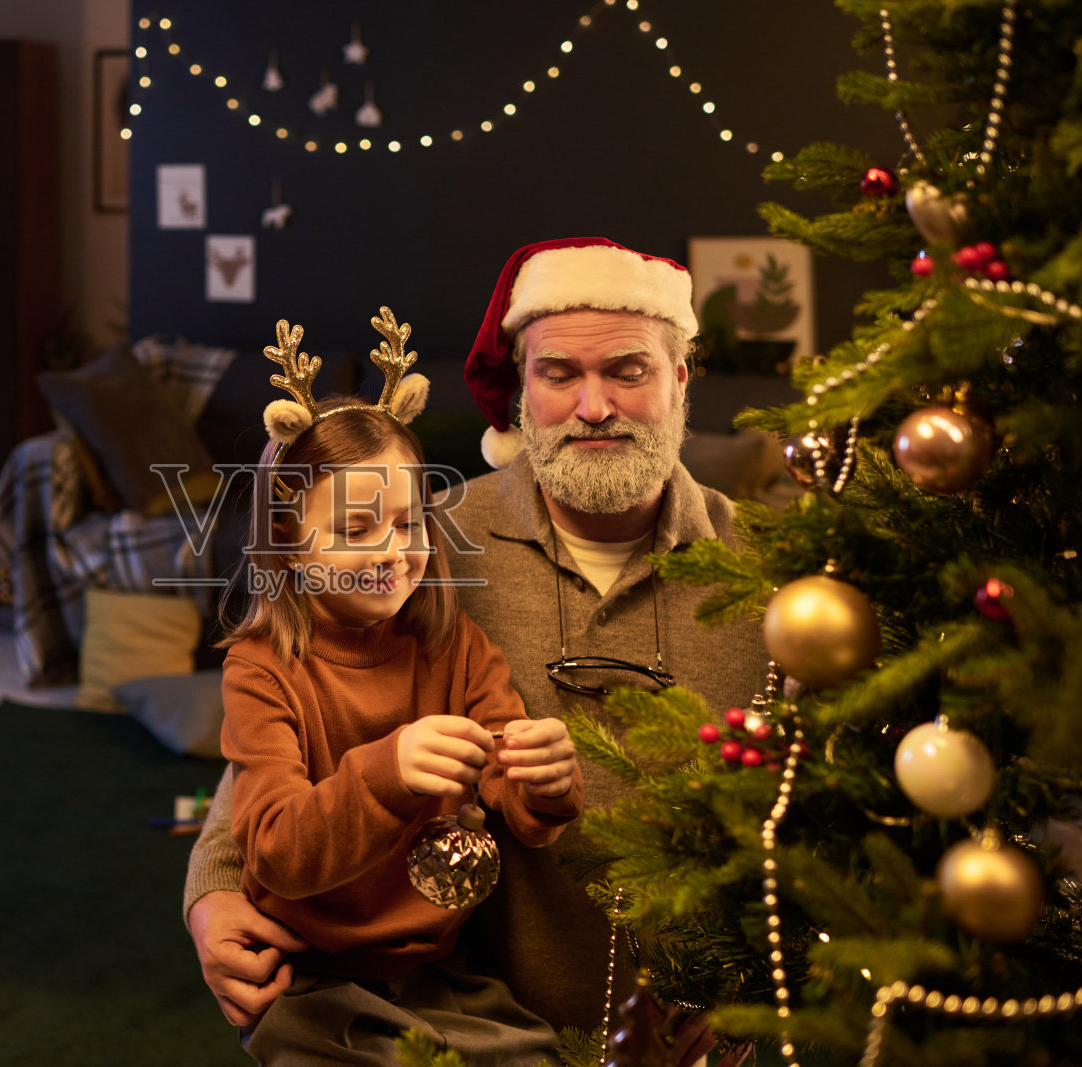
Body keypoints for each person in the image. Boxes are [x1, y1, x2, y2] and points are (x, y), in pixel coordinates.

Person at [186, 238, 772, 1043]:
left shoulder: (775, 582)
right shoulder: (433, 543)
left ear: (679, 377)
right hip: (467, 1005)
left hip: (690, 1033)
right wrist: (213, 886)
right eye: (558, 372)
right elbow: (284, 724)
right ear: (522, 392)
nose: (592, 405)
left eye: (628, 370)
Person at [219, 313, 585, 1064]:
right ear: (287, 548)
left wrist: (543, 783)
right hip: (311, 982)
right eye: (357, 529)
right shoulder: (262, 670)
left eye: (408, 521)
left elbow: (522, 812)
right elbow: (274, 851)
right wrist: (386, 772)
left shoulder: (455, 648)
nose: (394, 551)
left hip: (442, 973)